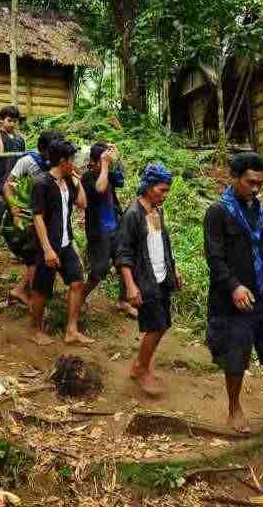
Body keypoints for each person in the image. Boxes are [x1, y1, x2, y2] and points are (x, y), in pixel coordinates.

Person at [204, 152, 263, 442]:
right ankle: (234, 408)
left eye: (260, 183)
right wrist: (233, 286)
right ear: (233, 179)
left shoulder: (261, 211)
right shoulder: (218, 212)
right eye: (250, 182)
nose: (256, 188)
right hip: (230, 297)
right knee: (236, 356)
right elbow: (214, 256)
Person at [118, 163, 181, 397]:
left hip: (161, 276)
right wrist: (130, 286)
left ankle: (142, 364)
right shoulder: (133, 214)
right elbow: (123, 253)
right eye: (161, 190)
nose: (165, 195)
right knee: (155, 326)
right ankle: (140, 368)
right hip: (144, 279)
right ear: (148, 186)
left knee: (163, 325)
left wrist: (173, 271)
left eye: (167, 191)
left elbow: (162, 243)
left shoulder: (157, 210)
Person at [27, 138, 88, 345]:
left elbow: (82, 203)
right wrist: (47, 250)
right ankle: (35, 329)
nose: (75, 163)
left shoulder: (69, 181)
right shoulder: (41, 183)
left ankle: (71, 330)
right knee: (42, 288)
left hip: (65, 242)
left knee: (77, 282)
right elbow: (38, 217)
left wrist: (77, 180)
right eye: (72, 159)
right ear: (63, 161)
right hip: (49, 245)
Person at [2, 129, 63, 306]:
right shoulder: (28, 161)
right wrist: (14, 210)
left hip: (45, 219)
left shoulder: (56, 165)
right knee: (35, 259)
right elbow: (8, 185)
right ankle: (23, 291)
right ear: (43, 149)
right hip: (26, 218)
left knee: (37, 259)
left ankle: (24, 290)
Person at [80, 142, 131, 315]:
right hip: (98, 231)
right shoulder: (87, 178)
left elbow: (121, 181)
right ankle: (79, 298)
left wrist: (117, 157)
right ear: (94, 162)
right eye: (103, 160)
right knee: (99, 270)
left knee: (125, 262)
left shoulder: (108, 173)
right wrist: (105, 166)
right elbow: (100, 189)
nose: (107, 162)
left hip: (115, 227)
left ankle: (123, 301)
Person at [0, 105, 26, 264]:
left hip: (14, 183)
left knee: (16, 216)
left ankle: (17, 250)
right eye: (9, 120)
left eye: (15, 121)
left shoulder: (19, 139)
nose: (12, 124)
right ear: (1, 120)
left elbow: (22, 161)